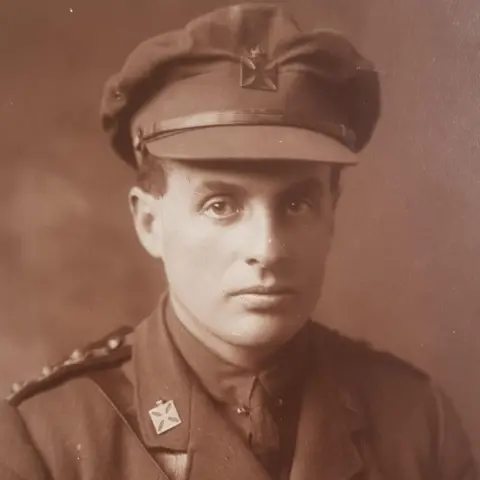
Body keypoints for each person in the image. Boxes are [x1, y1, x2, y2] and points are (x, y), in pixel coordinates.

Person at [0, 3, 477, 480]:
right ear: (150, 223)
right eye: (221, 206)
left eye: (297, 205)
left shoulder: (417, 423)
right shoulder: (44, 439)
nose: (267, 250)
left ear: (332, 214)